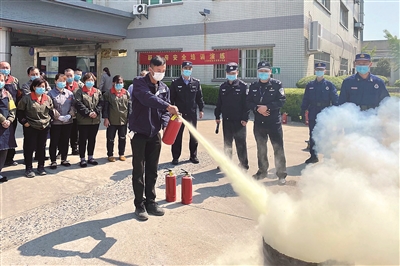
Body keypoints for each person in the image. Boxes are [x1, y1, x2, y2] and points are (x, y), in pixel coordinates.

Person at [129, 55, 179, 221]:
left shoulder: (164, 88)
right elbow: (147, 99)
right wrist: (167, 106)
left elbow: (166, 113)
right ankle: (139, 204)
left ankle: (151, 201)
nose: (161, 74)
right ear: (150, 69)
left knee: (152, 170)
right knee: (139, 171)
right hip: (139, 134)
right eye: (158, 71)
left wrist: (166, 124)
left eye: (163, 71)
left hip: (154, 134)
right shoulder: (139, 83)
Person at [246, 61, 287, 185]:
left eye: (266, 71)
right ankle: (262, 171)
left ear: (270, 72)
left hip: (273, 123)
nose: (263, 73)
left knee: (278, 148)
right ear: (257, 72)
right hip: (259, 123)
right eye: (261, 71)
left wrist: (267, 107)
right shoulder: (253, 86)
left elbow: (281, 101)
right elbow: (248, 102)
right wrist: (258, 109)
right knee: (261, 148)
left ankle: (281, 174)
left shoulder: (277, 85)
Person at [301, 63, 339, 164]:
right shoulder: (310, 85)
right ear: (314, 70)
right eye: (317, 69)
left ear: (325, 71)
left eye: (321, 69)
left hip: (325, 112)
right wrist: (302, 111)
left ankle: (327, 156)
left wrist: (335, 113)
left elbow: (335, 100)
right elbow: (306, 99)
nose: (319, 71)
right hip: (313, 111)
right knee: (313, 134)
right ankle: (313, 156)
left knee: (326, 135)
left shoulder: (329, 85)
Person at [214, 62, 250, 170]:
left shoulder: (243, 86)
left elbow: (246, 104)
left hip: (239, 121)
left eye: (233, 73)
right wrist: (217, 115)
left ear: (237, 72)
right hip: (227, 120)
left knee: (241, 144)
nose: (231, 74)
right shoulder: (223, 87)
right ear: (226, 73)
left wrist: (245, 118)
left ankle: (244, 164)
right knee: (227, 143)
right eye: (229, 73)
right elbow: (219, 103)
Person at [17, 78, 54, 177]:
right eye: (39, 86)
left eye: (43, 87)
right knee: (29, 147)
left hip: (44, 126)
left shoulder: (47, 98)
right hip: (31, 126)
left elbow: (50, 110)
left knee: (41, 147)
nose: (41, 89)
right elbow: (19, 112)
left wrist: (49, 121)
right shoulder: (27, 98)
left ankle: (41, 167)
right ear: (34, 87)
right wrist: (24, 122)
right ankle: (28, 168)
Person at [170, 61, 204, 165]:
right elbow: (171, 99)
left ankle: (193, 156)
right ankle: (175, 157)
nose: (187, 70)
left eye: (189, 68)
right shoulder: (175, 83)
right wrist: (171, 112)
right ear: (181, 69)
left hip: (191, 113)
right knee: (177, 136)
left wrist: (201, 109)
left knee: (193, 136)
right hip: (179, 115)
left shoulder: (196, 82)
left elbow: (200, 97)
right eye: (186, 68)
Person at [48, 74, 75, 169]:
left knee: (65, 141)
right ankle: (53, 161)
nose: (62, 83)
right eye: (60, 81)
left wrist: (69, 115)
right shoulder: (50, 94)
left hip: (68, 122)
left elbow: (73, 105)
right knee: (54, 141)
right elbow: (50, 107)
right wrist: (58, 117)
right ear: (55, 81)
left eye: (64, 81)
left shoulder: (69, 93)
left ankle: (64, 159)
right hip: (56, 122)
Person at [75, 72, 102, 167]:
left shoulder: (97, 91)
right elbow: (78, 104)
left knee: (92, 139)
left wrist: (96, 112)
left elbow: (100, 103)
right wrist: (88, 113)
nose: (90, 82)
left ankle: (91, 156)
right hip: (83, 120)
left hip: (95, 120)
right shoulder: (79, 91)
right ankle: (82, 158)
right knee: (82, 139)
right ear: (84, 81)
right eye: (88, 80)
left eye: (92, 80)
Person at [102, 75, 130, 162]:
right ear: (113, 83)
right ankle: (110, 154)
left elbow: (129, 107)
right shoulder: (108, 93)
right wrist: (106, 118)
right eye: (118, 83)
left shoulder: (126, 93)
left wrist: (129, 118)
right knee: (110, 139)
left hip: (123, 120)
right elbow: (105, 107)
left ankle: (121, 154)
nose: (120, 84)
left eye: (121, 83)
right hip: (112, 120)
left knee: (122, 138)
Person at [0, 61, 20, 166]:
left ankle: (9, 158)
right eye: (3, 67)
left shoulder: (14, 81)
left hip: (10, 116)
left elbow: (14, 103)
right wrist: (3, 120)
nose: (5, 69)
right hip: (2, 117)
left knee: (10, 137)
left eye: (7, 67)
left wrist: (11, 118)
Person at [0, 73, 17, 182]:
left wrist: (10, 120)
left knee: (4, 149)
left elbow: (12, 108)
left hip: (6, 126)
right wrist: (2, 120)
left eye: (1, 79)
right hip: (2, 122)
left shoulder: (7, 93)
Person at [65, 68, 81, 155]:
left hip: (76, 114)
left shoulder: (79, 86)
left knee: (75, 132)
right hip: (65, 114)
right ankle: (61, 150)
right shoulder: (62, 86)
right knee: (64, 134)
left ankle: (74, 148)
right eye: (67, 76)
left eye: (71, 75)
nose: (69, 77)